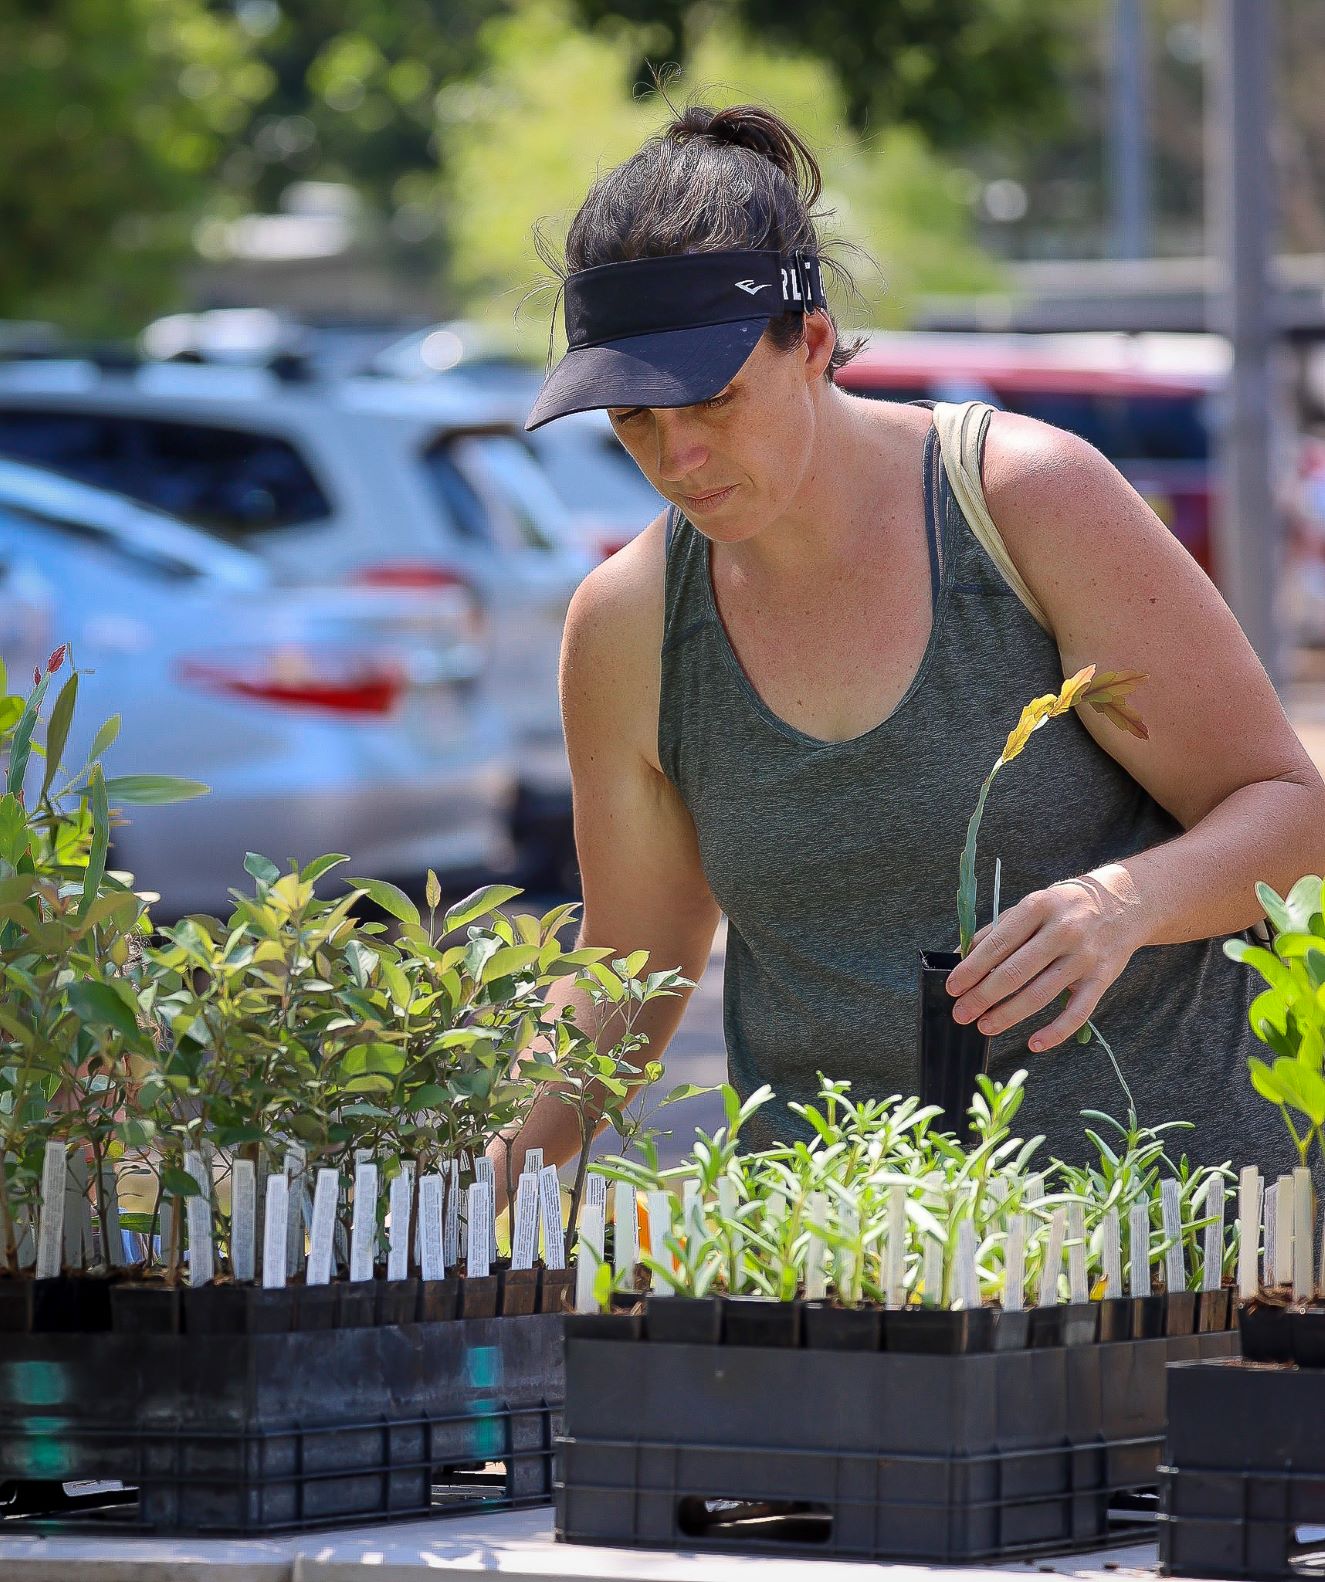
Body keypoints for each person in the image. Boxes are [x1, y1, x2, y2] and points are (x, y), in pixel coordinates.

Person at [493, 100, 1325, 1178]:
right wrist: (472, 1168)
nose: (677, 453)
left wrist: (1120, 904)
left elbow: (1289, 816)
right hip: (828, 1253)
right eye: (634, 419)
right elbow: (632, 965)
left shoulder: (1024, 501)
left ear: (814, 345)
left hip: (1161, 1228)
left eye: (711, 399)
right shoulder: (626, 622)